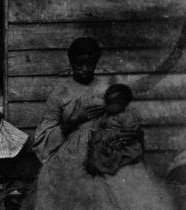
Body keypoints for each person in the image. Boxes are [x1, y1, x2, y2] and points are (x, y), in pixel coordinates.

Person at [24, 38, 173, 209]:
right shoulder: (60, 94)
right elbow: (43, 141)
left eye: (90, 64)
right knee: (69, 181)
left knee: (127, 180)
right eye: (79, 64)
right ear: (71, 61)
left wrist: (132, 132)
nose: (85, 69)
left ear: (96, 62)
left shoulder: (107, 85)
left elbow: (125, 114)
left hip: (108, 142)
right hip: (72, 150)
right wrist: (75, 119)